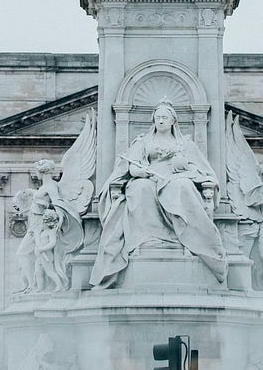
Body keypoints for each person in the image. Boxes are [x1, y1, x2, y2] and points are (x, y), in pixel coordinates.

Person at [91, 102, 225, 287]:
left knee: (183, 187)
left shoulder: (184, 143)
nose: (161, 121)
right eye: (158, 117)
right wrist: (142, 172)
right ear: (153, 119)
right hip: (149, 177)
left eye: (165, 118)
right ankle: (145, 240)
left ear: (173, 121)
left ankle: (188, 238)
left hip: (175, 177)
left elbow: (198, 167)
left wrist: (183, 166)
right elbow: (132, 166)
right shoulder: (143, 142)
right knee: (140, 189)